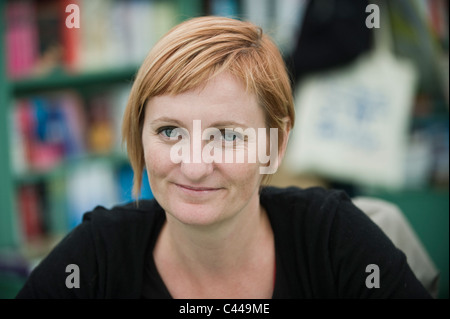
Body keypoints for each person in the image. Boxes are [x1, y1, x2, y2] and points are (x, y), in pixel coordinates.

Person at [16, 16, 431, 299]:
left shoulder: (330, 238)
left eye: (227, 136)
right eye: (169, 131)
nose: (194, 166)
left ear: (275, 145)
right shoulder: (98, 258)